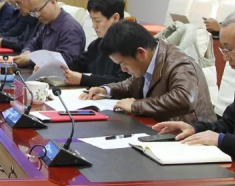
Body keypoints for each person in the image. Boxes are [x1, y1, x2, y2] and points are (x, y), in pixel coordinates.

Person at [153, 9, 235, 179]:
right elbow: (230, 124)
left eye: (229, 49)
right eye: (223, 50)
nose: (225, 58)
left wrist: (222, 140)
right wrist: (195, 128)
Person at [81, 21, 215, 122]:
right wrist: (106, 90)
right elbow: (131, 84)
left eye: (123, 63)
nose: (123, 69)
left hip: (191, 135)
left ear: (141, 53)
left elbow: (184, 99)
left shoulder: (180, 64)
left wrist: (136, 106)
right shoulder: (147, 61)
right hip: (158, 127)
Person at [63, 0, 129, 86]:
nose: (94, 25)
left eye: (97, 20)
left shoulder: (129, 46)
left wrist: (83, 79)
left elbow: (124, 82)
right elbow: (76, 65)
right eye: (92, 20)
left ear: (115, 18)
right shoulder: (96, 45)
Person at [13, 0, 85, 67]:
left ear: (52, 2)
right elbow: (32, 44)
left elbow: (66, 61)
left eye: (38, 10)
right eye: (33, 12)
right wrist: (27, 52)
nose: (37, 16)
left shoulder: (71, 28)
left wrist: (31, 59)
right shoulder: (47, 23)